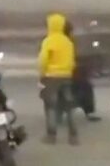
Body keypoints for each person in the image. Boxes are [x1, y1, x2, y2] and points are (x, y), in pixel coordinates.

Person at [38, 12, 78, 145]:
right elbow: (72, 61)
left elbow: (43, 60)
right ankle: (73, 137)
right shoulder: (68, 42)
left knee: (50, 107)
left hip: (51, 78)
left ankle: (51, 136)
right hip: (66, 77)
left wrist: (42, 74)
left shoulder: (48, 40)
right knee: (69, 107)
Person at [64, 22, 101, 122]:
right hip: (70, 73)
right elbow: (77, 56)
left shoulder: (49, 40)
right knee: (86, 88)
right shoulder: (71, 42)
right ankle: (89, 112)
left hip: (53, 74)